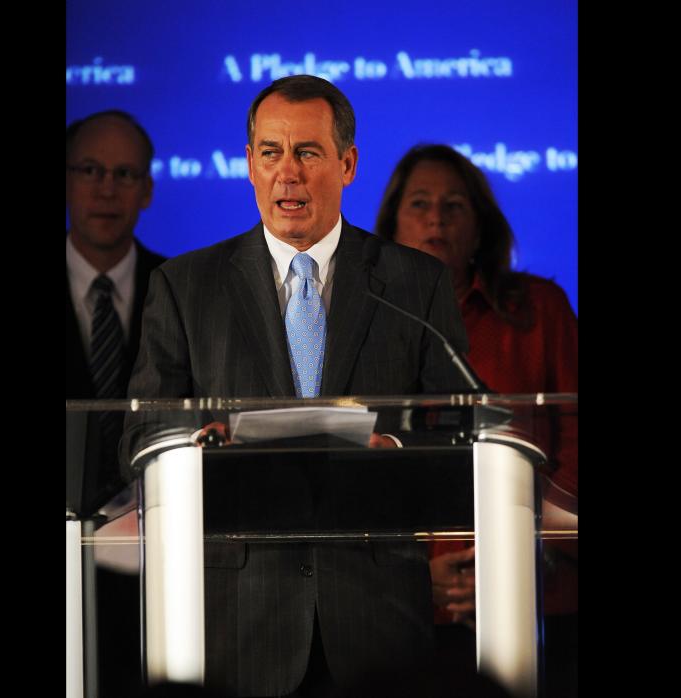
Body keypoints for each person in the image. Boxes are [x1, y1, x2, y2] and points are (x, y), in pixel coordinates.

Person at [127, 76, 473, 697]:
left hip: (378, 614)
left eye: (308, 153)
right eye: (270, 152)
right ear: (249, 165)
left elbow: (456, 429)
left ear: (347, 164)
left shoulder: (413, 283)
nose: (287, 173)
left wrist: (390, 456)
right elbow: (143, 432)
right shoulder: (186, 286)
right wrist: (205, 448)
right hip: (241, 614)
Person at [375, 143, 578, 697]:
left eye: (453, 205)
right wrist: (417, 576)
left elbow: (576, 443)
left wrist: (526, 551)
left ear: (480, 227)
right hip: (399, 614)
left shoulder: (539, 311)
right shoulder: (360, 326)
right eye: (419, 204)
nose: (436, 218)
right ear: (391, 227)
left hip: (543, 594)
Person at [66, 109, 167, 698]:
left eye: (125, 174)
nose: (107, 189)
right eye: (91, 170)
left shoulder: (181, 288)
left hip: (157, 569)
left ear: (148, 190)